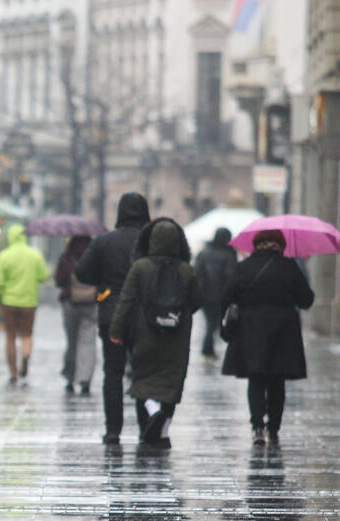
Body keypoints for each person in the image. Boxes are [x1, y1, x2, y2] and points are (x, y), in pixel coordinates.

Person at [108, 219, 202, 449]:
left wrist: (116, 330)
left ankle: (151, 412)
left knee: (144, 377)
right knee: (172, 381)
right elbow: (197, 301)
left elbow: (126, 300)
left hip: (145, 331)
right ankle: (163, 432)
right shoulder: (186, 269)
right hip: (177, 335)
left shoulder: (140, 267)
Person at [221, 230, 314, 446]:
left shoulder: (244, 267)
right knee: (277, 380)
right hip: (284, 331)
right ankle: (274, 427)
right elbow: (306, 300)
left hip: (251, 330)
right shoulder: (290, 267)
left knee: (256, 378)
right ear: (280, 245)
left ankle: (257, 426)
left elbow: (226, 296)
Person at [75, 192, 152, 443]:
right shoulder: (150, 241)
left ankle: (113, 430)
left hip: (111, 313)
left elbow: (83, 272)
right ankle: (146, 426)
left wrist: (104, 281)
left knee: (113, 372)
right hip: (144, 315)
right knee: (143, 371)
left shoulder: (104, 241)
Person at [0, 223, 49, 384]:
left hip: (8, 301)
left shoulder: (4, 256)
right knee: (27, 335)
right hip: (29, 302)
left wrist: (1, 297)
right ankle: (25, 357)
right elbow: (44, 275)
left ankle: (13, 372)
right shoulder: (34, 255)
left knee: (10, 337)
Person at [55, 234, 97, 394]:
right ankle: (85, 379)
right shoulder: (95, 256)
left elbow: (59, 280)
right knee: (88, 342)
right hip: (92, 303)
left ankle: (70, 378)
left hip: (70, 303)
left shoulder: (67, 257)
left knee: (72, 342)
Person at [193, 227, 237, 358]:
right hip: (221, 295)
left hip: (205, 294)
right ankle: (208, 349)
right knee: (215, 323)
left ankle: (208, 348)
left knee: (210, 322)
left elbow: (196, 273)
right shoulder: (229, 255)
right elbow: (231, 276)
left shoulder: (204, 253)